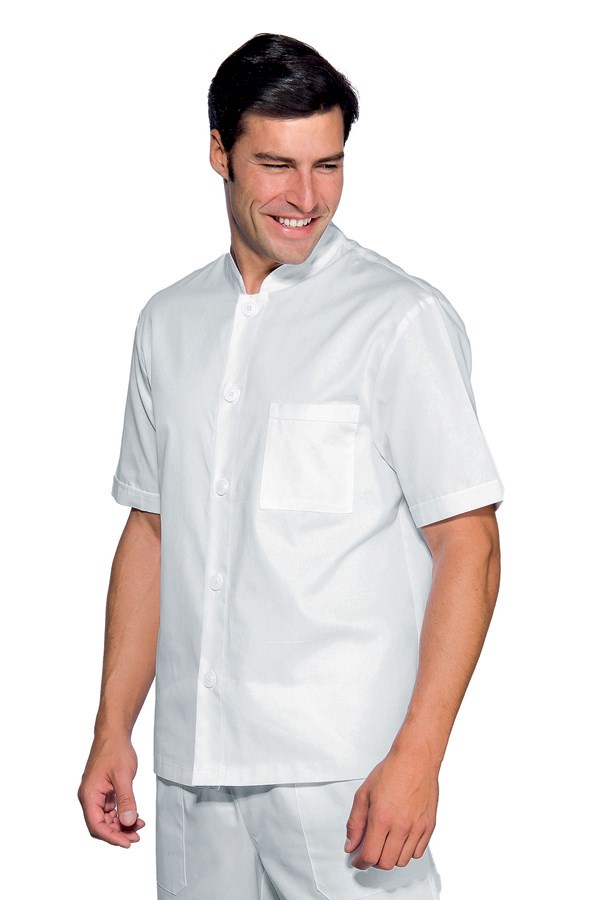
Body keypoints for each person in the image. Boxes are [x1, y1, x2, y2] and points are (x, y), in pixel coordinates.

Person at [78, 33, 503, 900]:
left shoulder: (399, 319)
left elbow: (471, 543)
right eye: (276, 165)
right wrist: (112, 726)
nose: (306, 198)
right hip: (192, 771)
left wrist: (420, 754)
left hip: (343, 775)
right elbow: (152, 529)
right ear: (219, 153)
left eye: (328, 165)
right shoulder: (168, 322)